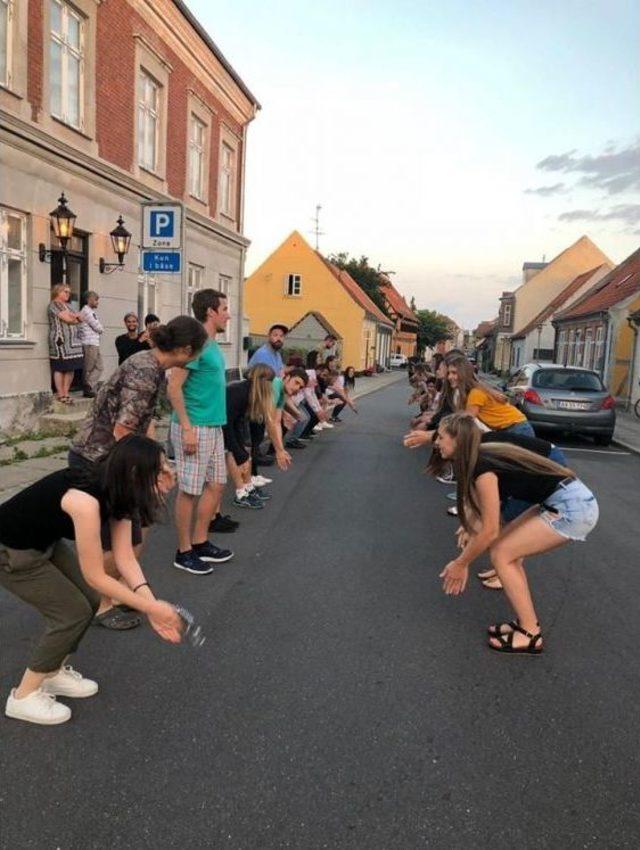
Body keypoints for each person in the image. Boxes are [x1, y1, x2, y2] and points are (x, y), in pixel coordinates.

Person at [0, 436, 184, 726]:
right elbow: (96, 575)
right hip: (10, 550)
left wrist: (151, 605)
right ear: (136, 473)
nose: (168, 476)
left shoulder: (122, 492)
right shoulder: (85, 500)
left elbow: (125, 559)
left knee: (90, 600)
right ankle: (23, 696)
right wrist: (152, 608)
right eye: (160, 470)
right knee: (70, 613)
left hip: (40, 541)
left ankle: (52, 672)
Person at [70, 315, 207, 625]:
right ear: (185, 350)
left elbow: (143, 421)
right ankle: (99, 603)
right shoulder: (145, 371)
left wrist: (160, 458)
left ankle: (114, 594)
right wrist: (151, 471)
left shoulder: (154, 366)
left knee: (133, 533)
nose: (198, 358)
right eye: (198, 351)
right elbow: (122, 431)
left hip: (111, 458)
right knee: (117, 539)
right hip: (97, 460)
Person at [428, 413, 598, 654]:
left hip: (573, 508)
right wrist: (470, 527)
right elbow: (486, 511)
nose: (436, 442)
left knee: (501, 554)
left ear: (458, 440)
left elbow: (489, 530)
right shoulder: (481, 455)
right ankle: (525, 624)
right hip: (562, 500)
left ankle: (530, 633)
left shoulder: (481, 466)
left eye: (441, 437)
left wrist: (461, 563)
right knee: (503, 551)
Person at [167, 289, 233, 576]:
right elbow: (173, 387)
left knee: (217, 484)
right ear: (211, 312)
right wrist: (186, 428)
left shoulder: (213, 345)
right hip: (194, 425)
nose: (228, 314)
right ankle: (184, 552)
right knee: (189, 490)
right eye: (225, 308)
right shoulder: (196, 344)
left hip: (214, 425)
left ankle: (200, 540)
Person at [224, 365, 292, 509]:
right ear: (262, 382)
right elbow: (227, 425)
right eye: (269, 383)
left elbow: (236, 424)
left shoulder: (250, 393)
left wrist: (241, 451)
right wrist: (238, 452)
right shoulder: (239, 393)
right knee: (216, 480)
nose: (270, 387)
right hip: (211, 424)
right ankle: (240, 494)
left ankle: (245, 490)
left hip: (228, 423)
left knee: (243, 453)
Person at [446, 354, 535, 437]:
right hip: (513, 427)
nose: (449, 377)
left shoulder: (475, 393)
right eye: (449, 373)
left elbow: (466, 421)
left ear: (463, 374)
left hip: (517, 428)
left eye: (454, 373)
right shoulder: (473, 391)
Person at [48, 283, 83, 404]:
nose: (68, 294)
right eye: (65, 292)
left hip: (74, 342)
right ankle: (60, 393)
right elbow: (68, 319)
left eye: (69, 292)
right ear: (58, 292)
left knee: (71, 367)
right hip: (60, 340)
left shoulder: (70, 306)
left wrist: (74, 317)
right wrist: (74, 317)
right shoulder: (54, 305)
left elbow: (80, 319)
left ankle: (66, 392)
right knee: (60, 366)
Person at [77, 290, 104, 398]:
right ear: (89, 299)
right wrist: (102, 329)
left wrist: (101, 328)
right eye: (96, 300)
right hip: (89, 343)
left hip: (94, 342)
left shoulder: (90, 311)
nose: (98, 302)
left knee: (99, 367)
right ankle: (87, 388)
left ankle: (89, 385)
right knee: (89, 367)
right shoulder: (87, 311)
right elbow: (97, 327)